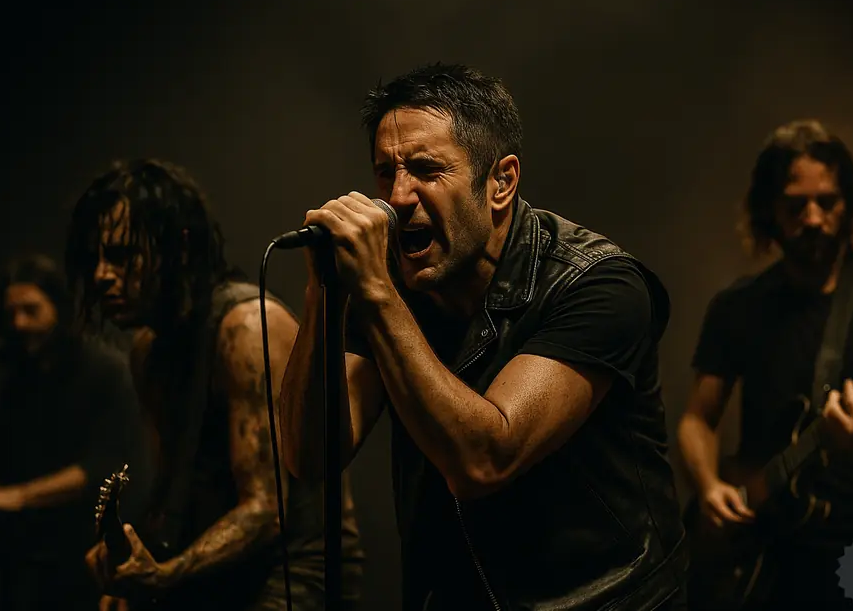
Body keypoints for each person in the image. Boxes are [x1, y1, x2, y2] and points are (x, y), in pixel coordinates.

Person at [279, 62, 689, 610]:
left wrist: (376, 293)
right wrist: (323, 295)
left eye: (426, 170)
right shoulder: (393, 285)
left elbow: (486, 459)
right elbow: (310, 457)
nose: (399, 198)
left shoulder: (598, 284)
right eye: (385, 173)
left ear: (501, 182)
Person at [677, 119, 853, 610]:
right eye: (795, 205)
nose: (812, 218)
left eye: (827, 202)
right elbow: (696, 421)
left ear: (849, 204)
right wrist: (708, 489)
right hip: (768, 557)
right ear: (770, 210)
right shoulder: (739, 305)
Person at [68, 159, 365, 610]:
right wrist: (133, 562)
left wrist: (164, 575)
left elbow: (268, 510)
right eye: (95, 259)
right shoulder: (148, 349)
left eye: (123, 256)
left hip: (295, 575)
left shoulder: (244, 328)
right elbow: (174, 491)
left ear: (179, 247)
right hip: (221, 571)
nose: (102, 275)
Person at [0, 253, 149, 611]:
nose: (19, 323)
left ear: (58, 307)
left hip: (81, 556)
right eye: (11, 313)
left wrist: (16, 497)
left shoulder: (105, 370)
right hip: (23, 560)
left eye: (31, 310)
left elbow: (101, 466)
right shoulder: (18, 377)